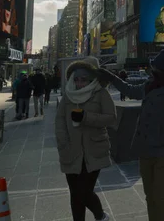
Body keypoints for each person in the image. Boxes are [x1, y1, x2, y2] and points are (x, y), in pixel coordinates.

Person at [100, 47, 164, 221]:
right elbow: (130, 91)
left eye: (156, 68)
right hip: (145, 149)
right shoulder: (150, 85)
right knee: (150, 195)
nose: (152, 70)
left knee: (161, 196)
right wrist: (111, 77)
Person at [55, 57, 116, 221]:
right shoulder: (68, 95)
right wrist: (63, 143)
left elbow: (111, 118)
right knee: (75, 194)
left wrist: (86, 117)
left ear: (92, 79)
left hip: (94, 150)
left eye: (84, 79)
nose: (80, 83)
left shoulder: (101, 93)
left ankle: (100, 216)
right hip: (70, 150)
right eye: (77, 79)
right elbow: (59, 120)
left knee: (83, 192)